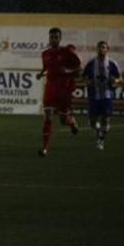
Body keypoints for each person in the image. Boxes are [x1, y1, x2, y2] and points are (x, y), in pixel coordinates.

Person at [36, 27, 81, 156]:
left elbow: (79, 69)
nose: (54, 39)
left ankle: (71, 121)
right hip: (50, 87)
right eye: (52, 37)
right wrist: (41, 74)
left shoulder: (66, 52)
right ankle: (45, 148)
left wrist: (68, 71)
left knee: (62, 120)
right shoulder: (45, 54)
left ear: (60, 38)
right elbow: (46, 68)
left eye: (56, 37)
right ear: (49, 38)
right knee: (48, 116)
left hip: (64, 89)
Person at [81, 41, 122, 150]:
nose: (101, 49)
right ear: (97, 49)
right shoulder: (91, 63)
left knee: (105, 118)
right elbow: (83, 77)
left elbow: (119, 78)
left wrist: (115, 80)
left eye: (103, 47)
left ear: (107, 49)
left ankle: (101, 140)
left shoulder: (112, 63)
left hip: (107, 95)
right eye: (99, 47)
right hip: (93, 95)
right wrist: (88, 82)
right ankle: (99, 130)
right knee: (92, 122)